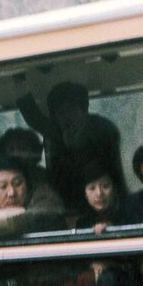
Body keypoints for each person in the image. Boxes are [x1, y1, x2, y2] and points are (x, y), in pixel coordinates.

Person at [19, 80, 123, 216]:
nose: (66, 117)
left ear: (84, 110)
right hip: (63, 204)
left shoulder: (102, 130)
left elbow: (112, 175)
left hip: (101, 201)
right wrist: (19, 82)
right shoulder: (57, 129)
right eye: (60, 112)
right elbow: (34, 118)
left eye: (71, 110)